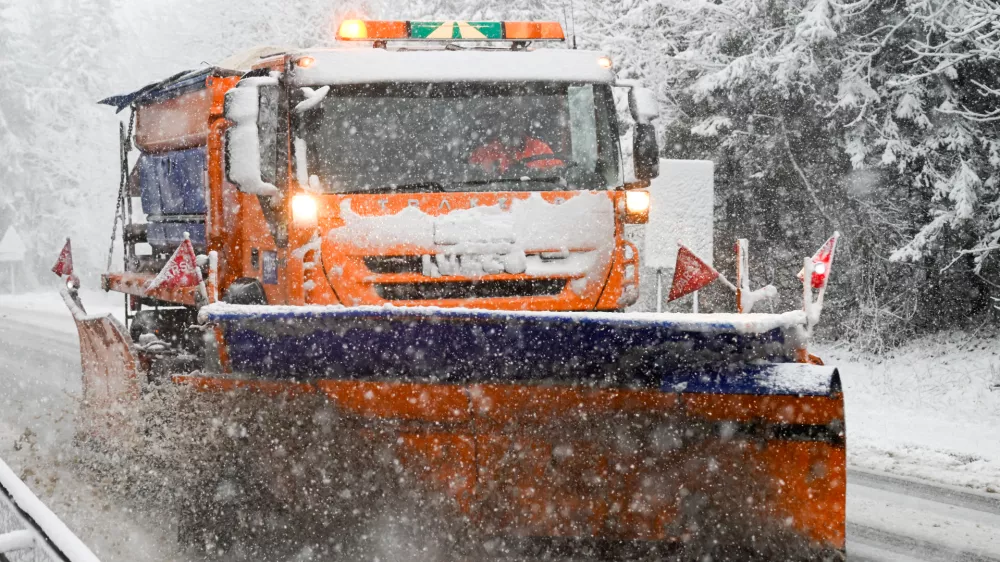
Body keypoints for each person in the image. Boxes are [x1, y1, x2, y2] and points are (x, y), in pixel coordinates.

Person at [468, 115, 564, 174]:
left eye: (517, 126)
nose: (513, 130)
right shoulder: (488, 150)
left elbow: (557, 173)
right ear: (501, 129)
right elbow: (470, 171)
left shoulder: (539, 148)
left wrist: (538, 174)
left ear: (523, 129)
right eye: (508, 125)